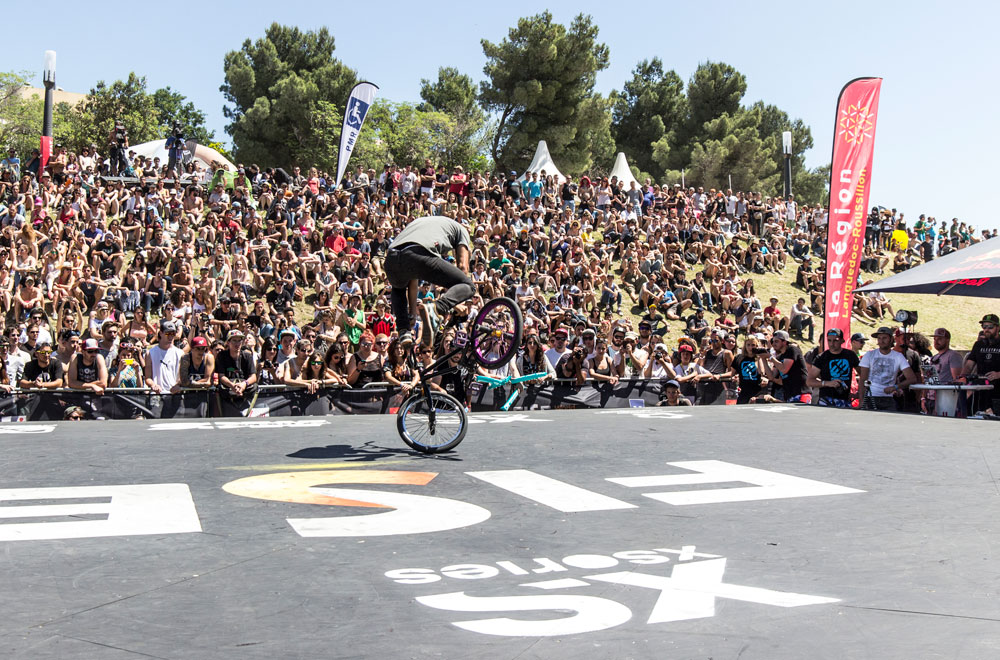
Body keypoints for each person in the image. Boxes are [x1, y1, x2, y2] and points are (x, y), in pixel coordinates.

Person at [383, 215, 473, 347]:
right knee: (468, 285)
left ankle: (404, 331)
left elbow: (412, 274)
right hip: (419, 253)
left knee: (398, 288)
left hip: (391, 258)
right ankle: (436, 308)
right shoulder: (461, 230)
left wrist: (412, 313)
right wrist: (457, 303)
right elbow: (463, 268)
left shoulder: (420, 222)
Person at [857, 326, 917, 411]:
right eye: (879, 338)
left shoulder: (898, 357)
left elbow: (912, 379)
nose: (881, 341)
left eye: (884, 338)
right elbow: (862, 379)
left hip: (888, 398)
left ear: (891, 339)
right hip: (870, 396)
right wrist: (861, 401)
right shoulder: (869, 355)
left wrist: (896, 387)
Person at [806, 328, 860, 407]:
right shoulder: (821, 357)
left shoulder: (850, 355)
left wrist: (859, 393)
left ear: (842, 341)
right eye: (829, 340)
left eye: (835, 340)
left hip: (844, 399)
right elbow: (809, 381)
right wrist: (827, 383)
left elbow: (863, 375)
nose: (832, 344)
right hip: (826, 399)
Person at [962, 314, 1000, 414]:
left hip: (997, 392)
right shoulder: (979, 344)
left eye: (990, 327)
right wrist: (962, 377)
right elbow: (969, 365)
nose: (987, 329)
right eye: (984, 326)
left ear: (998, 328)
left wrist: (998, 374)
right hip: (981, 389)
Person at [764, 330, 808, 402]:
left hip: (801, 392)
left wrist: (770, 357)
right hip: (789, 394)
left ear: (784, 342)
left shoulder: (792, 350)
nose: (774, 344)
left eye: (776, 341)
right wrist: (763, 359)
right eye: (773, 341)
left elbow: (784, 369)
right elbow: (771, 376)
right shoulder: (779, 358)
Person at [144, 319, 184, 394]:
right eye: (167, 333)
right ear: (161, 333)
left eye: (173, 333)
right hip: (157, 394)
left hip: (174, 394)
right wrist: (153, 385)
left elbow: (182, 376)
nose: (170, 336)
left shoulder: (180, 353)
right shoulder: (150, 353)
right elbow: (148, 377)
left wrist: (178, 384)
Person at [216, 329, 257, 400]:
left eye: (239, 341)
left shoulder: (247, 356)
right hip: (228, 388)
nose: (237, 344)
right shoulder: (222, 356)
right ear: (228, 342)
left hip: (244, 387)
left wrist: (244, 384)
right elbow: (221, 376)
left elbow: (253, 377)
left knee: (255, 386)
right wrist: (232, 386)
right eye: (234, 340)